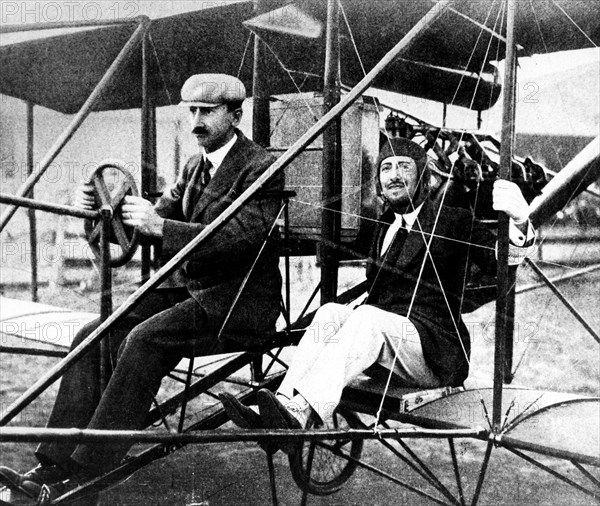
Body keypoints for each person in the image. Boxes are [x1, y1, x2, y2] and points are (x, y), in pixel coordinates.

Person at [0, 74, 284, 499]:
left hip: (238, 302)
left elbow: (241, 239)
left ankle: (89, 473)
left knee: (144, 339)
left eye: (206, 112)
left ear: (235, 114)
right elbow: (143, 224)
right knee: (93, 334)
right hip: (192, 293)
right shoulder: (195, 166)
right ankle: (51, 464)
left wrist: (161, 225)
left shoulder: (261, 167)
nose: (195, 121)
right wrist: (99, 211)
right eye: (191, 111)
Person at [220, 136, 535, 451]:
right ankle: (284, 407)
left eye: (404, 167)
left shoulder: (453, 219)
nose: (394, 174)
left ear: (424, 177)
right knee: (329, 312)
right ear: (380, 183)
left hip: (433, 354)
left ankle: (301, 413)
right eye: (386, 167)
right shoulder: (384, 226)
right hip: (385, 352)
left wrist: (521, 221)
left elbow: (498, 262)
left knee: (368, 317)